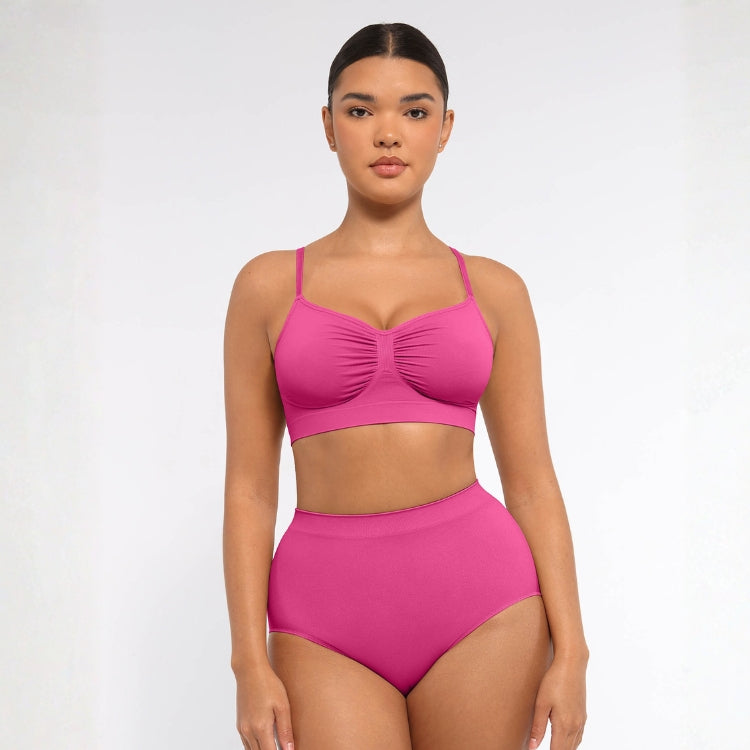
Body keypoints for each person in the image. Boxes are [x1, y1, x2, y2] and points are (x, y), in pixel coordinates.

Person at [223, 22, 588, 750]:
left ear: (445, 128)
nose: (388, 133)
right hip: (322, 619)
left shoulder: (494, 290)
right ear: (328, 126)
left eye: (414, 111)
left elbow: (532, 484)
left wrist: (573, 650)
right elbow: (250, 490)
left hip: (485, 608)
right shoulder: (268, 286)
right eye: (360, 110)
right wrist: (248, 663)